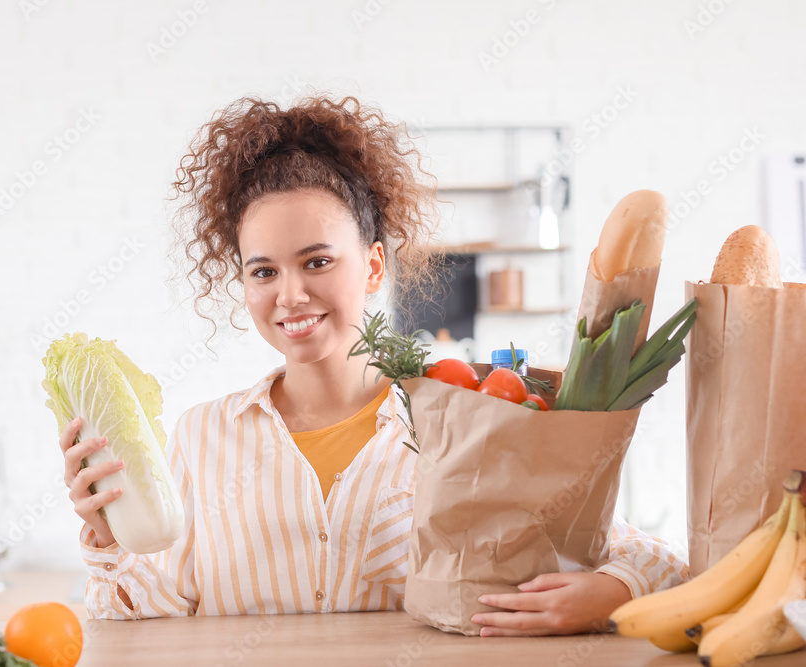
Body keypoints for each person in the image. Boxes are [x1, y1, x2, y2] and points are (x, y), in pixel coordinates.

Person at [58, 95, 687, 635]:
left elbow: (648, 558)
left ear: (376, 265)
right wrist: (108, 536)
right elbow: (139, 612)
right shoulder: (202, 438)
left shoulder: (464, 422)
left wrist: (613, 591)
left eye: (318, 261)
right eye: (264, 272)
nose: (291, 295)